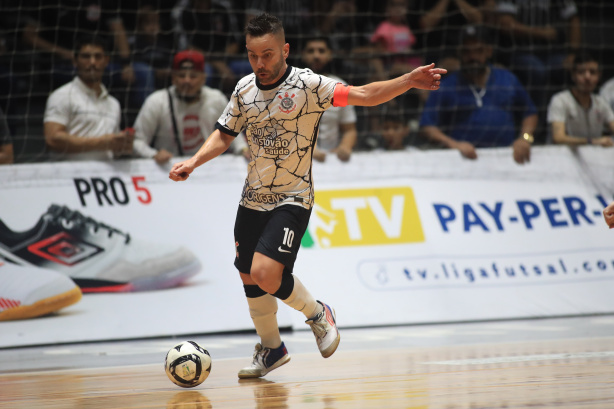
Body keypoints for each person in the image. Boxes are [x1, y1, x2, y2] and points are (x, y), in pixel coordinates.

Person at [168, 13, 446, 378]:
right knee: (250, 279)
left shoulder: (309, 85)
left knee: (266, 273)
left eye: (267, 54)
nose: (260, 64)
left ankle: (317, 313)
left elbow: (363, 95)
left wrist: (408, 80)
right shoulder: (243, 90)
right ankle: (271, 350)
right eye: (253, 55)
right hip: (252, 198)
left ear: (285, 49)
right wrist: (194, 161)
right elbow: (224, 133)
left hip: (293, 197)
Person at [420, 25, 536, 164]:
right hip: (463, 160)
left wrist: (524, 138)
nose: (472, 57)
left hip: (508, 158)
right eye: (467, 52)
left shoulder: (507, 79)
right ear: (459, 53)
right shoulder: (446, 86)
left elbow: (530, 113)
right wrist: (453, 144)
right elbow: (427, 125)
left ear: (489, 51)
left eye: (478, 51)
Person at [22, 0, 155, 110]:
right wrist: (65, 53)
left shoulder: (104, 3)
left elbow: (118, 31)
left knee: (143, 72)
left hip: (100, 61)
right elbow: (28, 36)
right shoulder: (47, 5)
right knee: (93, 78)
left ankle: (139, 129)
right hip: (62, 63)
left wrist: (126, 64)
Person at [132, 50, 247, 164]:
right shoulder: (157, 101)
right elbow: (137, 141)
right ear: (173, 78)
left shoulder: (216, 98)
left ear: (203, 78)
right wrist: (153, 154)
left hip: (209, 168)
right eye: (181, 76)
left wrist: (243, 150)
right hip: (170, 167)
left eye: (193, 76)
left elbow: (232, 132)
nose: (187, 81)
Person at [43, 36, 133, 161]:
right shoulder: (61, 95)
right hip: (68, 176)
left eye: (98, 57)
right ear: (75, 61)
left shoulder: (113, 103)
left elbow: (111, 149)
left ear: (106, 60)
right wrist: (101, 143)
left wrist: (121, 146)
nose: (92, 62)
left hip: (105, 176)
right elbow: (52, 140)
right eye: (86, 56)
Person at [300, 37, 357, 162]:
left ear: (330, 55)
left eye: (321, 51)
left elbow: (350, 130)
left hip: (330, 160)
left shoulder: (340, 87)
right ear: (303, 55)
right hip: (296, 160)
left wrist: (344, 147)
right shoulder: (290, 86)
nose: (316, 55)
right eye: (311, 51)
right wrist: (306, 149)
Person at [547, 52, 614, 147]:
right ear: (573, 75)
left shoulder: (600, 103)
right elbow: (558, 138)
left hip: (592, 157)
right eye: (581, 72)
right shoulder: (560, 100)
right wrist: (592, 141)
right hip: (561, 157)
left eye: (592, 72)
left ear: (599, 76)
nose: (587, 77)